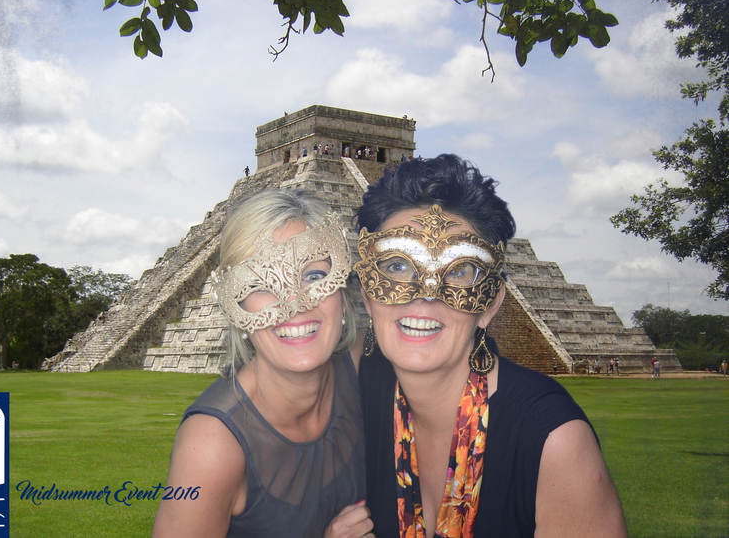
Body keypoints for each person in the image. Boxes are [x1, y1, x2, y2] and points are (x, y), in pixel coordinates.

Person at [353, 154, 627, 538]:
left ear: (490, 304)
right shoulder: (356, 391)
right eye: (398, 266)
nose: (426, 295)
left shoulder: (554, 443)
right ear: (366, 294)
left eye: (459, 270)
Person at [153, 190, 372, 538]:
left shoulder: (364, 367)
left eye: (314, 276)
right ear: (237, 309)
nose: (295, 304)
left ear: (342, 293)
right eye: (260, 285)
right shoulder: (211, 444)